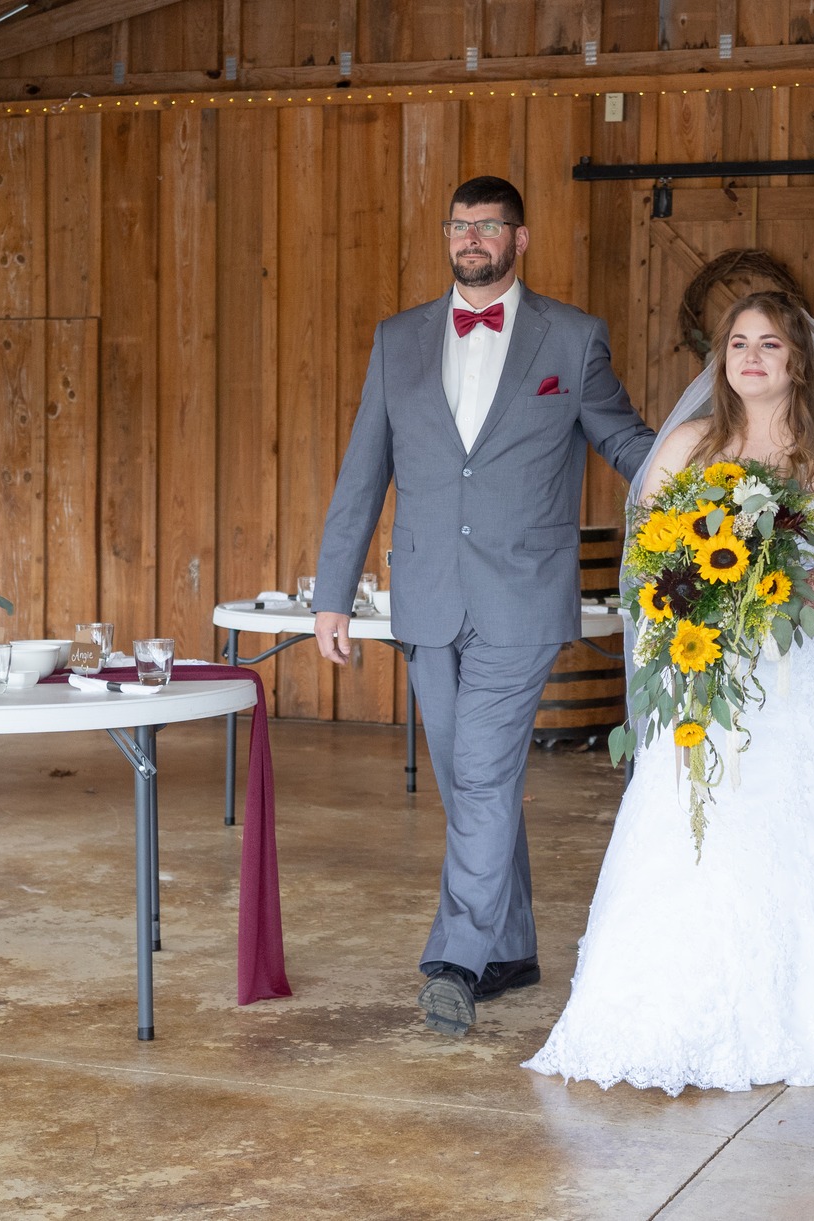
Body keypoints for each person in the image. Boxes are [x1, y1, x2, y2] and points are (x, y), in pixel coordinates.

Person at [524, 292, 814, 1094]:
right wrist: (700, 597)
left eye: (769, 344)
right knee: (692, 812)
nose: (751, 357)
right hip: (702, 668)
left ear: (798, 361)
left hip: (798, 669)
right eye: (738, 344)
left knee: (799, 807)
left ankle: (812, 999)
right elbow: (648, 552)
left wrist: (779, 589)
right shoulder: (688, 444)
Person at [313, 175, 656, 1038]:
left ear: (519, 239)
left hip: (522, 596)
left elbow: (623, 439)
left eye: (490, 226)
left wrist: (709, 476)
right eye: (460, 225)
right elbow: (362, 472)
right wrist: (332, 595)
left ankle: (456, 960)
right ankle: (511, 946)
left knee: (482, 771)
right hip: (426, 597)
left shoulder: (571, 338)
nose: (472, 238)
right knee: (468, 780)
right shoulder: (397, 339)